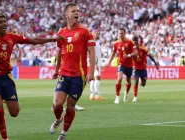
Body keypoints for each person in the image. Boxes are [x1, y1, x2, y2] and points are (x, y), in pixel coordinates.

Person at [0, 7, 63, 140]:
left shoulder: (12, 37)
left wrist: (52, 39)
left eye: (4, 21)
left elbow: (33, 40)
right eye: (0, 22)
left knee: (14, 112)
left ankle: (4, 97)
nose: (4, 24)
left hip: (6, 77)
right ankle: (5, 138)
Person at [49, 3, 95, 140]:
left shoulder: (84, 31)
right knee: (57, 104)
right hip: (64, 73)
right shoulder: (61, 33)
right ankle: (58, 119)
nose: (77, 13)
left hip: (79, 76)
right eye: (73, 11)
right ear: (67, 14)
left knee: (70, 106)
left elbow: (91, 52)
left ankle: (63, 133)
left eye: (78, 11)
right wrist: (57, 70)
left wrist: (91, 72)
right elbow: (59, 53)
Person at [106, 28, 138, 104]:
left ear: (125, 33)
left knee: (128, 81)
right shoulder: (116, 43)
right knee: (119, 78)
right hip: (121, 64)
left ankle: (126, 93)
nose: (120, 35)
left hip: (129, 65)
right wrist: (109, 62)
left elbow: (136, 52)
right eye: (119, 33)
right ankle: (117, 97)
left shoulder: (130, 42)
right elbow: (113, 53)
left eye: (122, 33)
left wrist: (129, 55)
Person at [132, 36, 159, 102]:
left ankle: (141, 81)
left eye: (135, 42)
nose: (134, 44)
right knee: (136, 82)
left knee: (143, 84)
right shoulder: (131, 49)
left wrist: (155, 63)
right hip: (136, 67)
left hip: (143, 68)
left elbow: (150, 56)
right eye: (133, 42)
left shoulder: (143, 49)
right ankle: (135, 97)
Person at [90, 30, 105, 100]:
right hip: (96, 62)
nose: (98, 34)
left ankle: (92, 95)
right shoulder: (93, 43)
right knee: (97, 78)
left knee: (93, 79)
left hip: (95, 62)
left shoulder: (95, 43)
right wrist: (95, 64)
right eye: (97, 33)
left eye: (99, 33)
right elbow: (92, 54)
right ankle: (97, 95)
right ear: (93, 34)